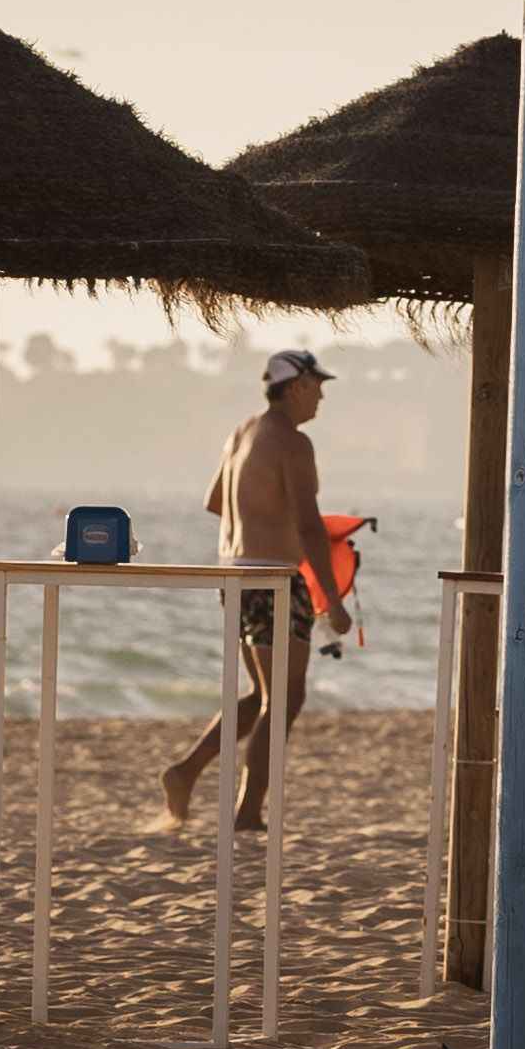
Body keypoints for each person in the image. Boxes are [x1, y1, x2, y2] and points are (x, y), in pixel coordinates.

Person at [164, 348, 355, 828]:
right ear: (295, 388)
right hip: (271, 578)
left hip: (233, 574)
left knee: (262, 694)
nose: (322, 398)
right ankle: (247, 812)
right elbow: (311, 526)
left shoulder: (244, 430)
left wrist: (262, 520)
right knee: (286, 696)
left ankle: (186, 772)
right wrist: (332, 599)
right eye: (317, 387)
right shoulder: (292, 442)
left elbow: (216, 502)